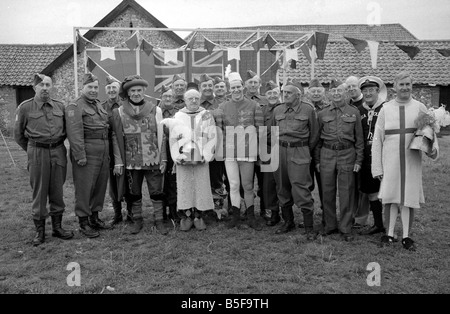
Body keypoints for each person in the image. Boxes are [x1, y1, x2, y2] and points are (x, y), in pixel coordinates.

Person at [372, 71, 438, 251]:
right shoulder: (386, 109)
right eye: (401, 84)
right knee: (391, 197)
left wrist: (431, 148)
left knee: (408, 197)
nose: (405, 88)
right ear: (394, 87)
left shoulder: (419, 107)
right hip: (390, 159)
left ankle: (407, 237)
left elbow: (429, 131)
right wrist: (377, 167)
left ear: (411, 86)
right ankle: (389, 234)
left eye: (408, 84)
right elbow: (377, 139)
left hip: (411, 160)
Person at [14, 73, 74, 246]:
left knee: (57, 190)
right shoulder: (25, 108)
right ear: (34, 88)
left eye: (48, 85)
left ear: (51, 86)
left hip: (58, 151)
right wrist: (33, 150)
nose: (45, 88)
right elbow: (18, 135)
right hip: (37, 152)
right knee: (39, 192)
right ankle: (40, 232)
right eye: (41, 85)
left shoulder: (60, 106)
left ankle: (57, 227)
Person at [111, 75, 168, 235]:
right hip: (131, 159)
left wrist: (163, 157)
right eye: (133, 91)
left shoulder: (156, 109)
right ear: (128, 93)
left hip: (153, 157)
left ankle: (159, 220)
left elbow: (161, 135)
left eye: (139, 90)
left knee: (156, 191)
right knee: (134, 192)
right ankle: (137, 220)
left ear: (144, 91)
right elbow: (116, 136)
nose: (136, 93)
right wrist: (119, 161)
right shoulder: (120, 111)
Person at [315, 79, 364, 242]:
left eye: (339, 91)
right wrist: (317, 160)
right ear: (329, 94)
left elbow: (359, 139)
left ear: (345, 93)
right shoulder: (322, 113)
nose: (336, 94)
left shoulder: (354, 112)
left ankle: (345, 227)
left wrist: (359, 159)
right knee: (327, 191)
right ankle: (329, 225)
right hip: (327, 154)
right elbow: (317, 140)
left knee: (347, 192)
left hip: (347, 154)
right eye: (333, 91)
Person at [214, 72, 264, 231]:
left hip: (248, 150)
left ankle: (251, 216)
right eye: (233, 87)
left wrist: (259, 151)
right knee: (233, 185)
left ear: (243, 87)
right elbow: (220, 131)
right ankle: (235, 216)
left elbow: (260, 130)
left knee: (247, 185)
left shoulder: (254, 105)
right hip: (230, 151)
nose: (236, 90)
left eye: (238, 87)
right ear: (230, 89)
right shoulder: (223, 107)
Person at [270, 79, 319, 238]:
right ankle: (288, 221)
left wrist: (303, 149)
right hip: (280, 150)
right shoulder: (277, 110)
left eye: (289, 93)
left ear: (299, 95)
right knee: (282, 186)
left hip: (299, 150)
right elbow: (272, 131)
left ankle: (309, 227)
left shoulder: (308, 109)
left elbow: (314, 135)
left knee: (300, 187)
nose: (285, 95)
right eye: (284, 92)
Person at [163, 89, 217, 231]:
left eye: (196, 98)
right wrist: (176, 156)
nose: (193, 101)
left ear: (200, 99)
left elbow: (212, 136)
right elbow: (173, 138)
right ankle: (186, 215)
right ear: (185, 101)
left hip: (201, 157)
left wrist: (206, 155)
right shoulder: (178, 116)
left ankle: (198, 215)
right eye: (190, 98)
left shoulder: (206, 115)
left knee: (201, 186)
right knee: (185, 186)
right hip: (184, 157)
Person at [65, 73, 111, 238]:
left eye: (95, 87)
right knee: (84, 188)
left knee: (99, 186)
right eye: (89, 87)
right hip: (87, 152)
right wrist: (80, 155)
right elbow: (75, 134)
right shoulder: (75, 107)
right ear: (83, 88)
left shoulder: (98, 105)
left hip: (103, 150)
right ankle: (83, 222)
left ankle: (94, 217)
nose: (93, 90)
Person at [357, 76, 387, 236]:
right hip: (366, 157)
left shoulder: (386, 108)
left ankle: (388, 225)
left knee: (388, 191)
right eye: (365, 91)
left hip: (383, 155)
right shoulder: (359, 110)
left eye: (371, 90)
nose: (368, 93)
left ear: (377, 91)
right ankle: (378, 224)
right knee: (371, 191)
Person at [100, 76, 132, 226]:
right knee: (113, 181)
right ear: (106, 91)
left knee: (130, 179)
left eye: (114, 87)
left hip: (127, 148)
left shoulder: (126, 105)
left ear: (118, 89)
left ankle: (132, 211)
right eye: (109, 88)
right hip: (109, 149)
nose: (112, 90)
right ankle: (117, 213)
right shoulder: (101, 107)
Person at [199, 74, 227, 218]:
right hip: (200, 148)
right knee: (201, 177)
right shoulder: (195, 103)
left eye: (210, 85)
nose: (208, 88)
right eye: (205, 86)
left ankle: (218, 207)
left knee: (217, 178)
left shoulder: (221, 103)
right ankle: (203, 207)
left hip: (218, 148)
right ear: (200, 88)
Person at [345, 75, 369, 229]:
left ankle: (361, 218)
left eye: (354, 86)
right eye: (348, 87)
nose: (351, 89)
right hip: (349, 152)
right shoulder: (347, 104)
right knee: (351, 185)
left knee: (364, 185)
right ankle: (351, 214)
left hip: (365, 149)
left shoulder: (366, 104)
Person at [244, 70, 268, 220]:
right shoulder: (240, 100)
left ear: (259, 85)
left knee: (264, 180)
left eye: (255, 82)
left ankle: (266, 209)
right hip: (245, 146)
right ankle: (248, 209)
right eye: (250, 82)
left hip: (264, 143)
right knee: (246, 181)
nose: (253, 85)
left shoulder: (266, 100)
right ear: (245, 85)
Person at [306, 78, 328, 227]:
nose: (315, 94)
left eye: (318, 91)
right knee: (306, 185)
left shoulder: (328, 108)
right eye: (313, 91)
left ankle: (327, 216)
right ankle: (308, 216)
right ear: (308, 93)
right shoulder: (304, 107)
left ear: (323, 92)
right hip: (306, 151)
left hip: (322, 152)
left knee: (324, 185)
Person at [262, 80, 282, 227]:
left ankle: (287, 211)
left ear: (279, 93)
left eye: (275, 92)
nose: (272, 95)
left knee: (284, 182)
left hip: (284, 148)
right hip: (268, 148)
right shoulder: (262, 111)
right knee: (269, 184)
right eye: (269, 93)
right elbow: (260, 131)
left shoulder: (284, 108)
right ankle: (273, 212)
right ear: (265, 95)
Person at [159, 85, 179, 223]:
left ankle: (173, 210)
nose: (167, 98)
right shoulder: (156, 112)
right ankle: (161, 212)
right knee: (160, 182)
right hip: (159, 150)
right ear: (161, 97)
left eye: (170, 96)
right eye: (165, 96)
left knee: (172, 181)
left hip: (175, 149)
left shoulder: (179, 113)